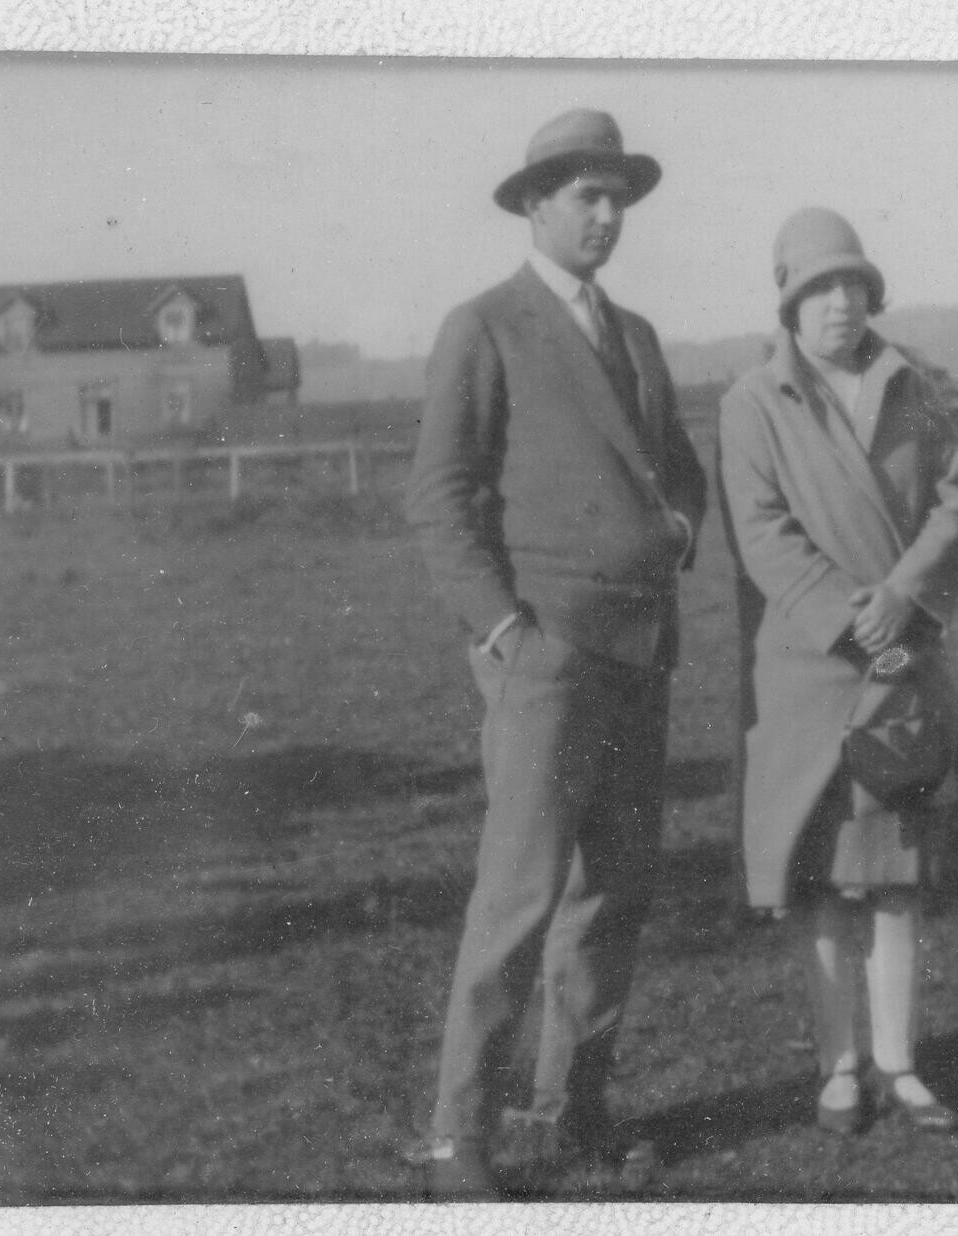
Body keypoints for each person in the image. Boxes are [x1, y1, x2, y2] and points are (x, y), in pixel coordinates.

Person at [404, 107, 708, 1193]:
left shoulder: (635, 336)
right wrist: (501, 630)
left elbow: (679, 470)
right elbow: (439, 499)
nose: (606, 213)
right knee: (519, 901)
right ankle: (458, 1139)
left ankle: (571, 1108)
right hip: (545, 657)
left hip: (640, 653)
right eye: (584, 194)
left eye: (617, 194)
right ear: (533, 205)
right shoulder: (484, 326)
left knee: (611, 896)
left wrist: (675, 524)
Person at [717, 208, 958, 1136]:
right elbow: (762, 535)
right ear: (787, 302)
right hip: (809, 669)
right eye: (817, 288)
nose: (837, 305)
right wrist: (847, 618)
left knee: (896, 873)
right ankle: (839, 1065)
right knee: (822, 876)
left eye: (852, 285)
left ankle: (901, 1063)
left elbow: (952, 504)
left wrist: (902, 597)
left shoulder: (920, 388)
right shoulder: (752, 404)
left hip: (902, 658)